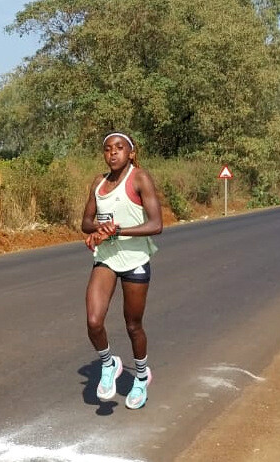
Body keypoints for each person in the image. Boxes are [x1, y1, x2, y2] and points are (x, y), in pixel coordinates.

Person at [81, 132, 163, 410]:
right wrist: (99, 228)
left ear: (131, 153)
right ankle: (109, 364)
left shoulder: (139, 178)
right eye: (107, 149)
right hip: (106, 258)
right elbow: (86, 222)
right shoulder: (98, 182)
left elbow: (156, 225)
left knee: (133, 325)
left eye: (119, 148)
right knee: (94, 321)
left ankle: (140, 377)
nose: (113, 153)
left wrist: (117, 231)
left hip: (135, 259)